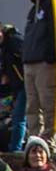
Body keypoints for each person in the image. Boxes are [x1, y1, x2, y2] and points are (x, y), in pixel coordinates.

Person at [22, 0, 56, 154]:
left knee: (48, 103)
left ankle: (48, 141)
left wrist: (51, 55)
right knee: (32, 105)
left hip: (45, 63)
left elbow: (53, 31)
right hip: (30, 62)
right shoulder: (33, 10)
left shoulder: (50, 4)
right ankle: (34, 141)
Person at [0, 23, 27, 152]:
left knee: (19, 117)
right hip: (15, 88)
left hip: (24, 84)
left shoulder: (14, 42)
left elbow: (26, 58)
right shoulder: (4, 48)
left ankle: (16, 149)